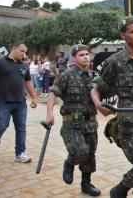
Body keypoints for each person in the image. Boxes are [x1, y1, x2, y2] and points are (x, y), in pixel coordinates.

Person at [91, 18, 133, 198]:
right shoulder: (115, 61)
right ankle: (119, 190)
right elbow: (96, 88)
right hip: (129, 125)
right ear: (123, 35)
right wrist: (98, 104)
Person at [45, 44, 101, 196]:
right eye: (81, 55)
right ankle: (69, 163)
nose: (85, 57)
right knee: (80, 151)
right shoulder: (67, 75)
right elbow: (53, 93)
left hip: (90, 123)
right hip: (72, 124)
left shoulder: (94, 77)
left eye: (87, 54)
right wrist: (50, 113)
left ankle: (86, 184)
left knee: (89, 155)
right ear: (74, 58)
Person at [0, 43, 38, 163]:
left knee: (21, 128)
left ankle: (20, 153)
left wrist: (34, 98)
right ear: (13, 49)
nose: (24, 54)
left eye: (25, 52)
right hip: (2, 102)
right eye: (22, 51)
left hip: (20, 103)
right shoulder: (0, 63)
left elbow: (29, 82)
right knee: (1, 125)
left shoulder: (24, 66)